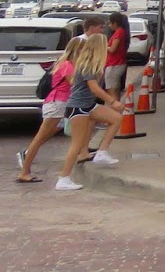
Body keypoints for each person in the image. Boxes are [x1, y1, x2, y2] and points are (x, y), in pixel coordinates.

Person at [15, 37, 90, 183]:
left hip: (62, 103)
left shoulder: (70, 64)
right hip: (57, 103)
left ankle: (82, 152)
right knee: (40, 137)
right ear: (78, 49)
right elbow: (75, 84)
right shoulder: (67, 65)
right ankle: (24, 170)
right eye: (84, 49)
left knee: (47, 136)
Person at [56, 35, 123, 191]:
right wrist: (113, 101)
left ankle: (102, 152)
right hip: (78, 107)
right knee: (77, 144)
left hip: (88, 105)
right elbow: (94, 88)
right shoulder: (88, 64)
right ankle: (63, 178)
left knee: (116, 119)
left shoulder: (92, 63)